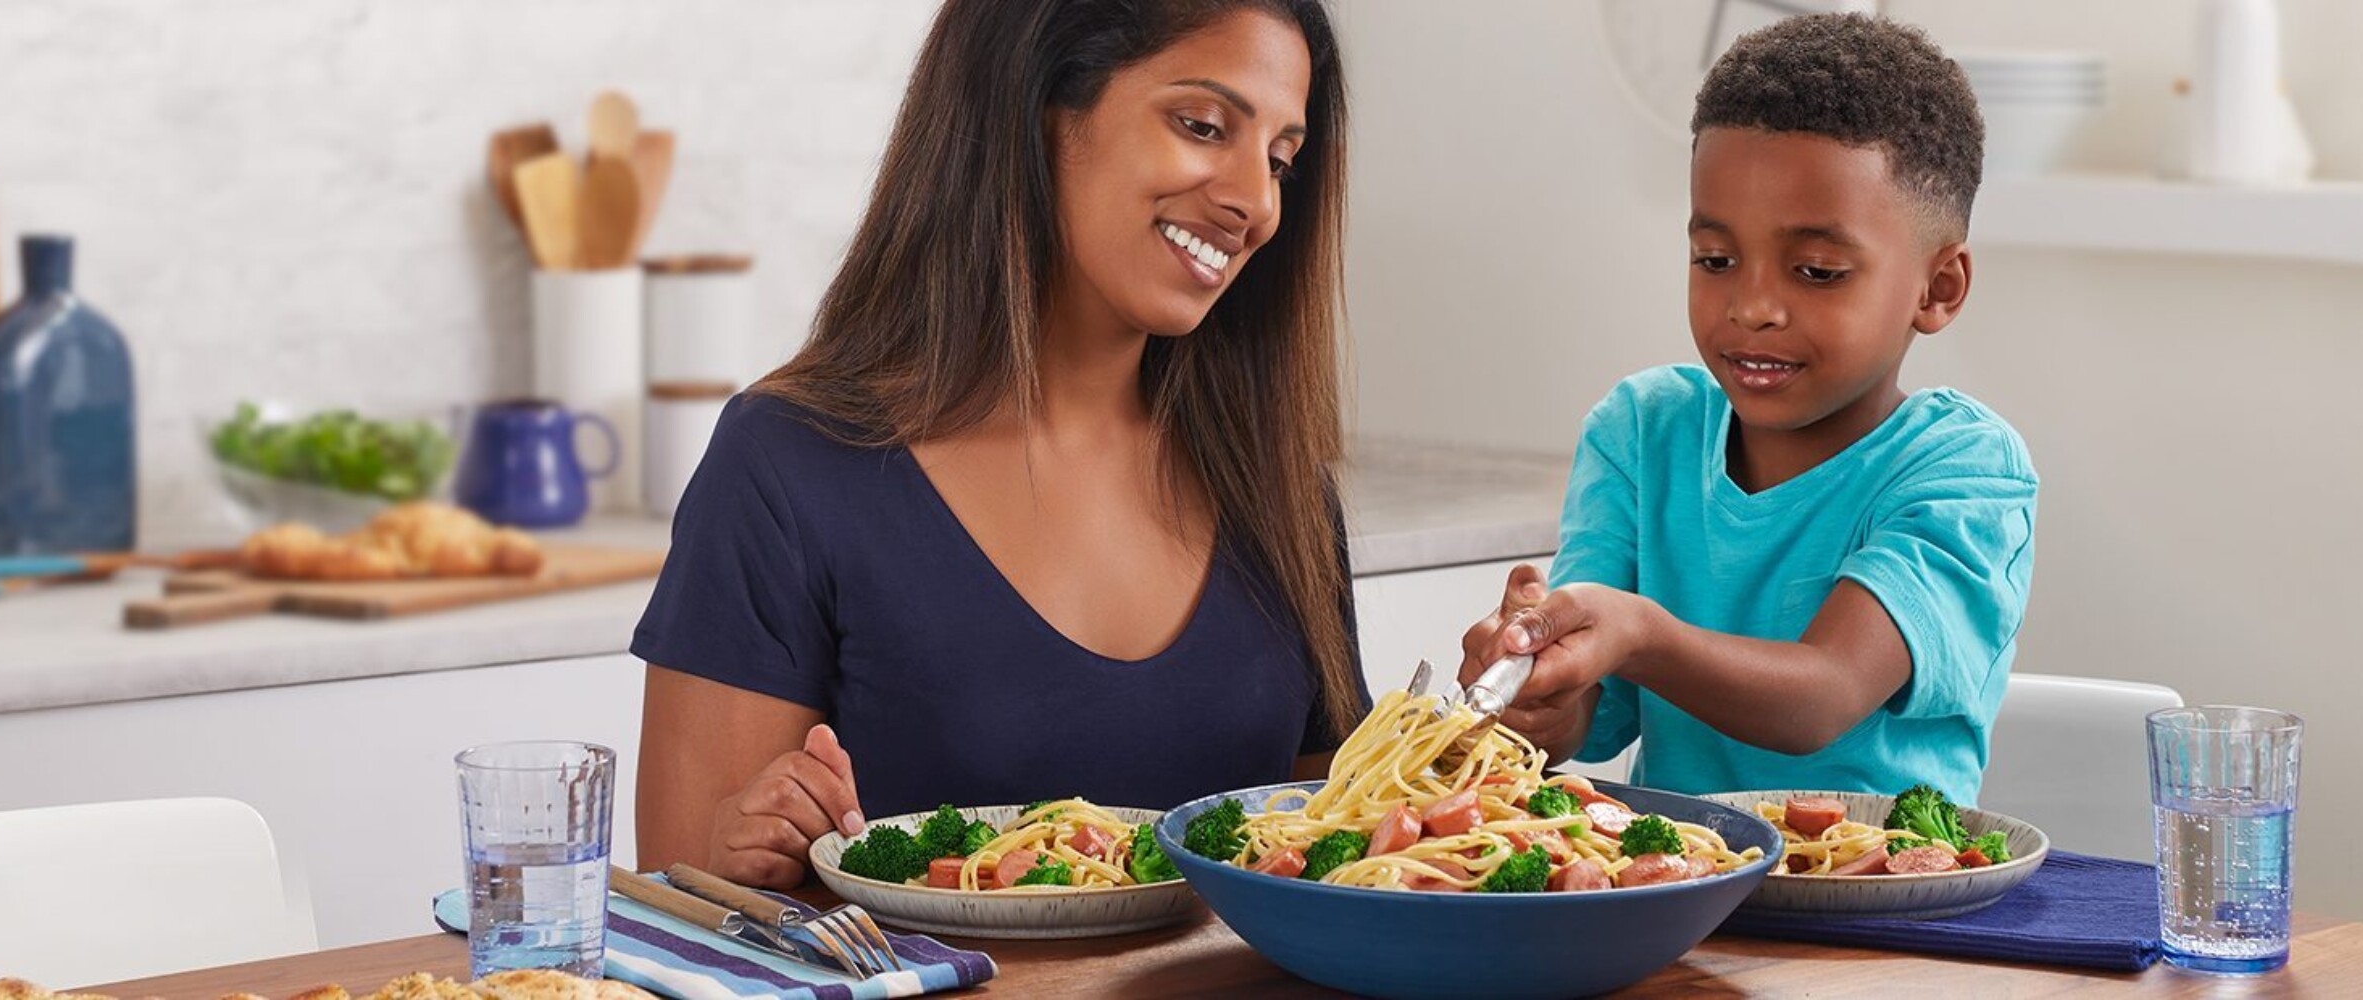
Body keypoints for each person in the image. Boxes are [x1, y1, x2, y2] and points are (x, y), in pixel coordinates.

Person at [631, 0, 1365, 890]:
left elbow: (1341, 845)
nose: (1256, 203)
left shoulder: (1275, 484)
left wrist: (1494, 738)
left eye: (1282, 162)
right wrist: (747, 855)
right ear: (1036, 108)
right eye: (1204, 125)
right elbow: (678, 912)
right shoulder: (791, 464)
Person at [1460, 14, 2037, 805]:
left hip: (1885, 911)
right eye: (1716, 260)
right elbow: (1583, 724)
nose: (1754, 306)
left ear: (1938, 290)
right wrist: (1534, 682)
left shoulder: (1965, 471)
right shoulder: (1641, 431)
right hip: (1674, 899)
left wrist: (1638, 633)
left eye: (1817, 270)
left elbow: (1823, 695)